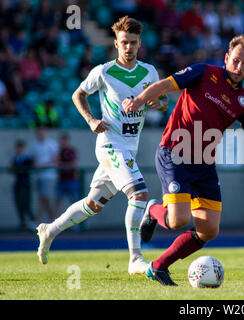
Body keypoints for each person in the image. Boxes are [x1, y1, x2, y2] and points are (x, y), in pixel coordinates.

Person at [122, 34, 244, 286]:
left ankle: (158, 267)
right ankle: (153, 210)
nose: (239, 67)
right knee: (178, 220)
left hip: (204, 165)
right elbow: (165, 86)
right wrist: (138, 100)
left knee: (209, 230)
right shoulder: (202, 72)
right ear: (227, 58)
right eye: (235, 61)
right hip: (175, 154)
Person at [36, 16, 168, 276]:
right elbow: (78, 94)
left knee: (92, 205)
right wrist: (91, 120)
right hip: (109, 144)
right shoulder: (103, 71)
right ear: (116, 45)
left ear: (140, 44)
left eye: (132, 42)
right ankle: (135, 259)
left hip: (129, 148)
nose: (128, 47)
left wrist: (157, 104)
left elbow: (162, 102)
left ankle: (48, 230)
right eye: (123, 43)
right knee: (139, 194)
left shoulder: (150, 72)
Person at [31, 126, 59, 223]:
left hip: (49, 176)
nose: (40, 134)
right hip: (39, 176)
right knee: (42, 198)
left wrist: (42, 165)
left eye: (42, 132)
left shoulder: (51, 144)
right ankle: (52, 219)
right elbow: (34, 161)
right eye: (38, 133)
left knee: (44, 198)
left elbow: (55, 159)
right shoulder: (34, 145)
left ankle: (40, 219)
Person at [55, 133, 80, 227]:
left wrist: (63, 165)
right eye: (62, 140)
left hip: (71, 180)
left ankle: (77, 224)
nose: (63, 142)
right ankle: (56, 224)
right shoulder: (58, 151)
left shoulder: (72, 151)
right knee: (58, 202)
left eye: (65, 140)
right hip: (61, 180)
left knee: (75, 203)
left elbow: (73, 164)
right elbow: (56, 163)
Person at [10, 140, 34, 230]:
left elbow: (29, 167)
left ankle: (31, 221)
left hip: (25, 184)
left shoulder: (27, 158)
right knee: (18, 203)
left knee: (25, 203)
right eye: (18, 147)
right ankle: (22, 222)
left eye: (21, 147)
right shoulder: (15, 158)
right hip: (17, 183)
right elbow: (12, 168)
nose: (19, 149)